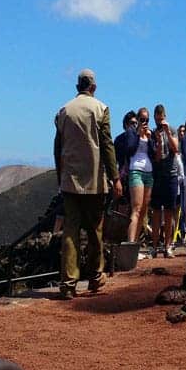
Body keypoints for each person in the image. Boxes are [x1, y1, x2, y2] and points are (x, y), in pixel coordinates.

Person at [54, 69, 121, 299]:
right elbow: (107, 145)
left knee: (70, 232)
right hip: (94, 180)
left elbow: (58, 147)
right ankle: (95, 277)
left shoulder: (63, 111)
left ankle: (68, 284)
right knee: (95, 230)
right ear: (93, 87)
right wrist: (115, 178)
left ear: (77, 86)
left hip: (70, 181)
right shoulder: (101, 109)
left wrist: (59, 178)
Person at [150, 104, 180, 258]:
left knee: (169, 212)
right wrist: (158, 141)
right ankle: (155, 246)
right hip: (157, 176)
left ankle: (168, 246)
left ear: (165, 117)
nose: (159, 120)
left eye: (162, 118)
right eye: (157, 117)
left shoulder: (173, 130)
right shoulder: (152, 133)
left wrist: (167, 133)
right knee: (156, 213)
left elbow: (176, 149)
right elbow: (156, 157)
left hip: (171, 175)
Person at [127, 107, 155, 248]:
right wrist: (138, 134)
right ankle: (130, 244)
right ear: (137, 119)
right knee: (136, 209)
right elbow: (130, 149)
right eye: (142, 119)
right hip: (136, 170)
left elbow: (154, 153)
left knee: (144, 210)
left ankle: (136, 245)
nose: (144, 122)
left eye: (146, 120)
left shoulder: (149, 134)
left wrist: (150, 139)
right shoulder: (132, 132)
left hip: (148, 172)